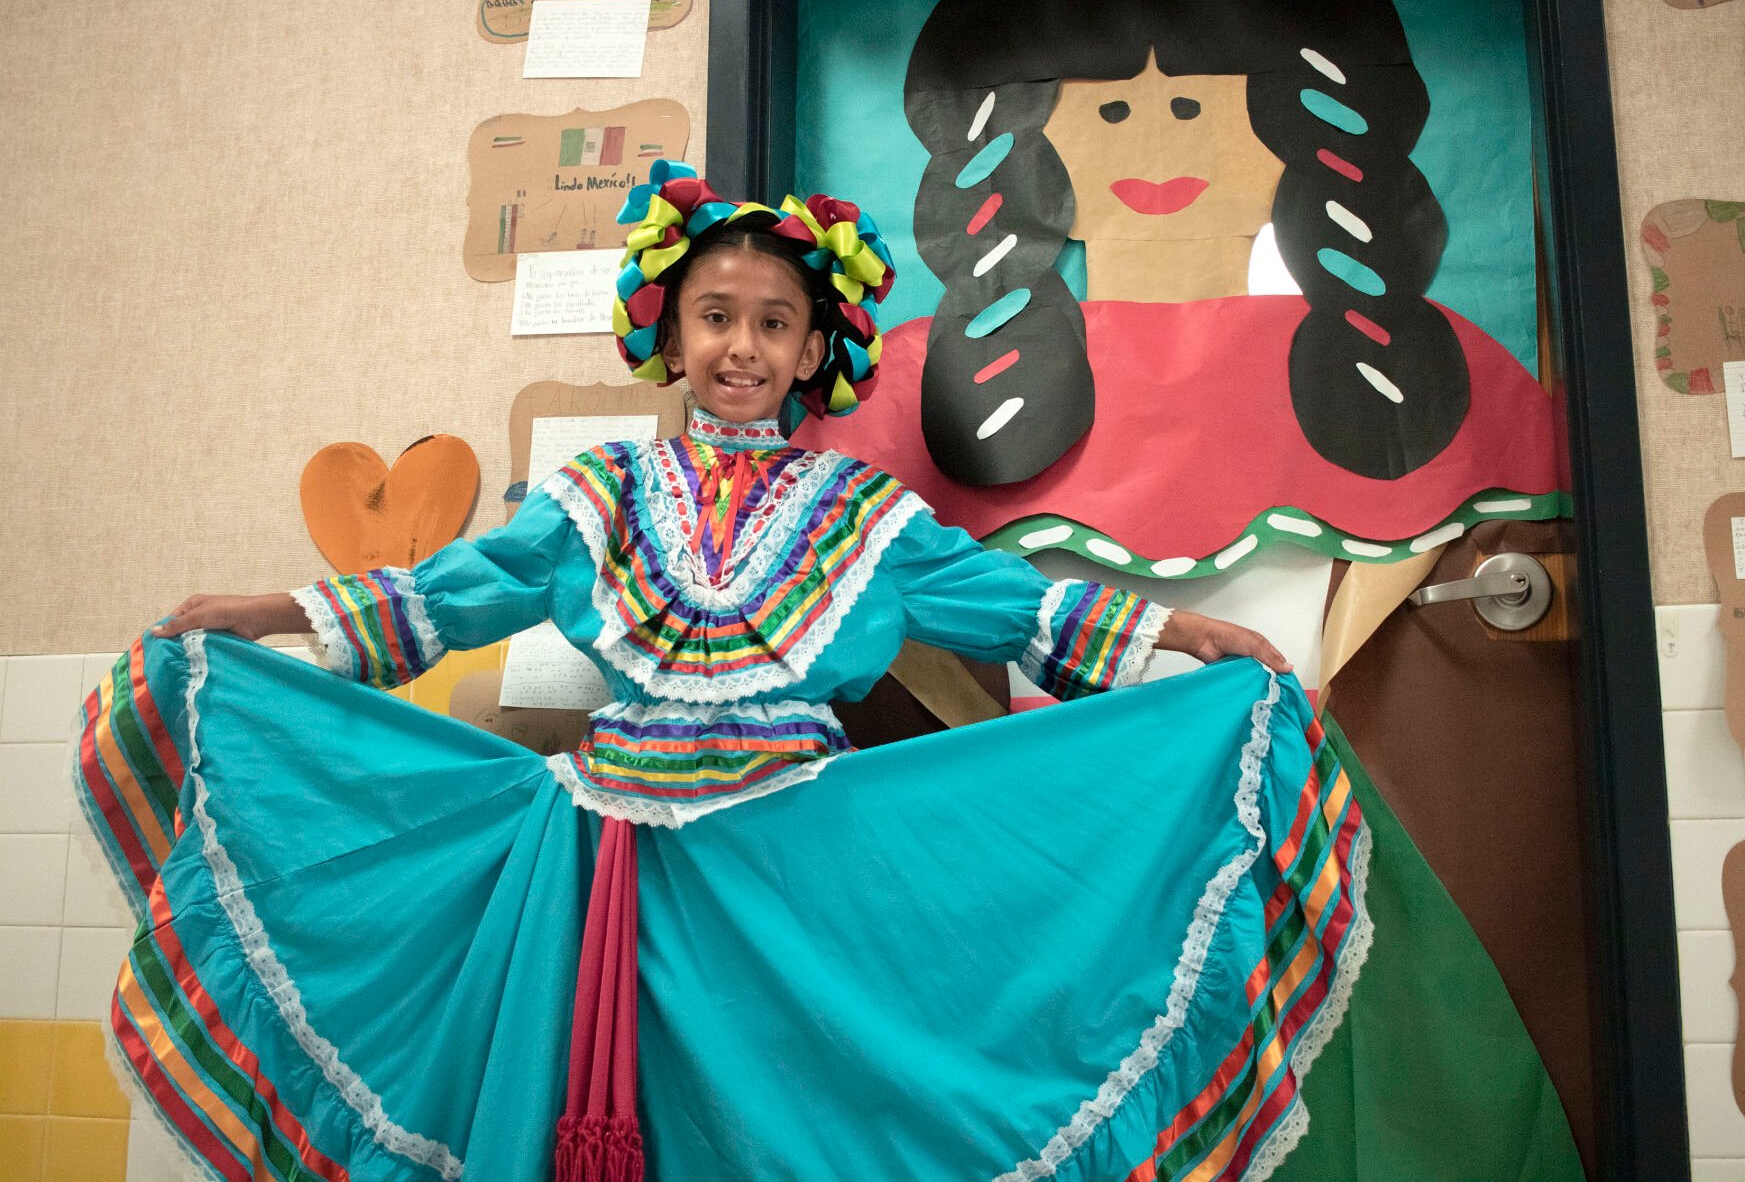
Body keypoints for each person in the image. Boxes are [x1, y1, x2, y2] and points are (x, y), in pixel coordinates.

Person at [76, 162, 1367, 1181]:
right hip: (606, 865)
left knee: (796, 1104)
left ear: (815, 351)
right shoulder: (599, 493)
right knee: (617, 1108)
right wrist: (275, 612)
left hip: (802, 856)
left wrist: (1177, 635)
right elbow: (455, 589)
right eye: (715, 317)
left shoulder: (861, 515)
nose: (741, 346)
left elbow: (1011, 607)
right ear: (670, 334)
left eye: (771, 322)